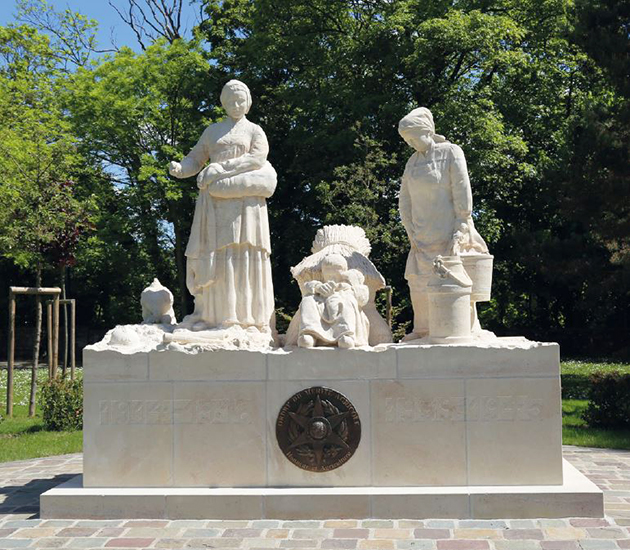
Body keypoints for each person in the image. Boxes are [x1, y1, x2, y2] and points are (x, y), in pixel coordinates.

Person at [168, 80, 277, 333]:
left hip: (246, 203)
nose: (236, 105)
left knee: (245, 254)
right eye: (231, 101)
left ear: (248, 102)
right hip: (215, 205)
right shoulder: (213, 131)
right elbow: (196, 157)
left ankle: (250, 319)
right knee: (218, 256)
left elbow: (257, 158)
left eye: (240, 101)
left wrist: (220, 169)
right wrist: (181, 169)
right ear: (223, 104)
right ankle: (216, 316)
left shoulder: (254, 130)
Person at [398, 107, 487, 341]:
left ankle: (462, 329)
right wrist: (409, 228)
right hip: (420, 234)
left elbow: (461, 189)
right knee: (418, 281)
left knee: (455, 278)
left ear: (426, 131)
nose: (410, 143)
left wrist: (462, 223)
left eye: (412, 137)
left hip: (449, 230)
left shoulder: (451, 152)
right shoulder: (412, 162)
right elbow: (404, 198)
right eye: (406, 140)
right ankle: (423, 330)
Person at [297, 254, 370, 349]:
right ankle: (310, 333)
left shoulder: (349, 286)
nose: (331, 274)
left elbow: (362, 299)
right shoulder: (319, 284)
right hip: (321, 306)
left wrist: (353, 284)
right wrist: (317, 288)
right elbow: (307, 287)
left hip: (340, 307)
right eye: (327, 270)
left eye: (336, 269)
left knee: (348, 300)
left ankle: (346, 334)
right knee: (308, 300)